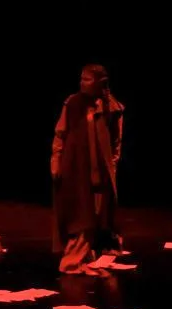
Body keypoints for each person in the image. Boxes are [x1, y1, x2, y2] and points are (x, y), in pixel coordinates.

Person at [51, 64, 125, 275]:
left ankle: (86, 256)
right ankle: (72, 262)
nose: (82, 83)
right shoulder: (72, 103)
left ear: (100, 83)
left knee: (97, 214)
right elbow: (60, 134)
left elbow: (116, 140)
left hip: (99, 170)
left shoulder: (111, 107)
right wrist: (56, 161)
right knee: (80, 214)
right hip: (75, 168)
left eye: (87, 79)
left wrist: (112, 165)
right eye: (81, 78)